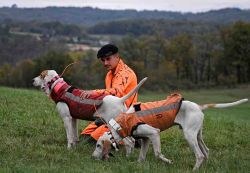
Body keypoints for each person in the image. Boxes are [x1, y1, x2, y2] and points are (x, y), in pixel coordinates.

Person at [80, 43, 138, 143]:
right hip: (109, 115)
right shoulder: (109, 74)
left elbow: (115, 93)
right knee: (84, 136)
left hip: (124, 117)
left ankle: (134, 137)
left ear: (117, 57)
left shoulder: (126, 73)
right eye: (103, 60)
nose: (105, 63)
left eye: (108, 59)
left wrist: (93, 93)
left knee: (92, 140)